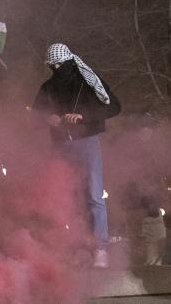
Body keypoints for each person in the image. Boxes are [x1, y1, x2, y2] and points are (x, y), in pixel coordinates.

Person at [32, 43, 121, 268]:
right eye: (52, 65)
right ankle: (77, 248)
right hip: (60, 145)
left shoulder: (89, 82)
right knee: (68, 198)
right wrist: (47, 119)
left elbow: (114, 107)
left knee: (93, 194)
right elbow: (34, 116)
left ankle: (100, 248)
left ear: (69, 62)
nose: (56, 68)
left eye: (59, 64)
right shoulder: (48, 87)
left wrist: (83, 117)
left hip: (87, 142)